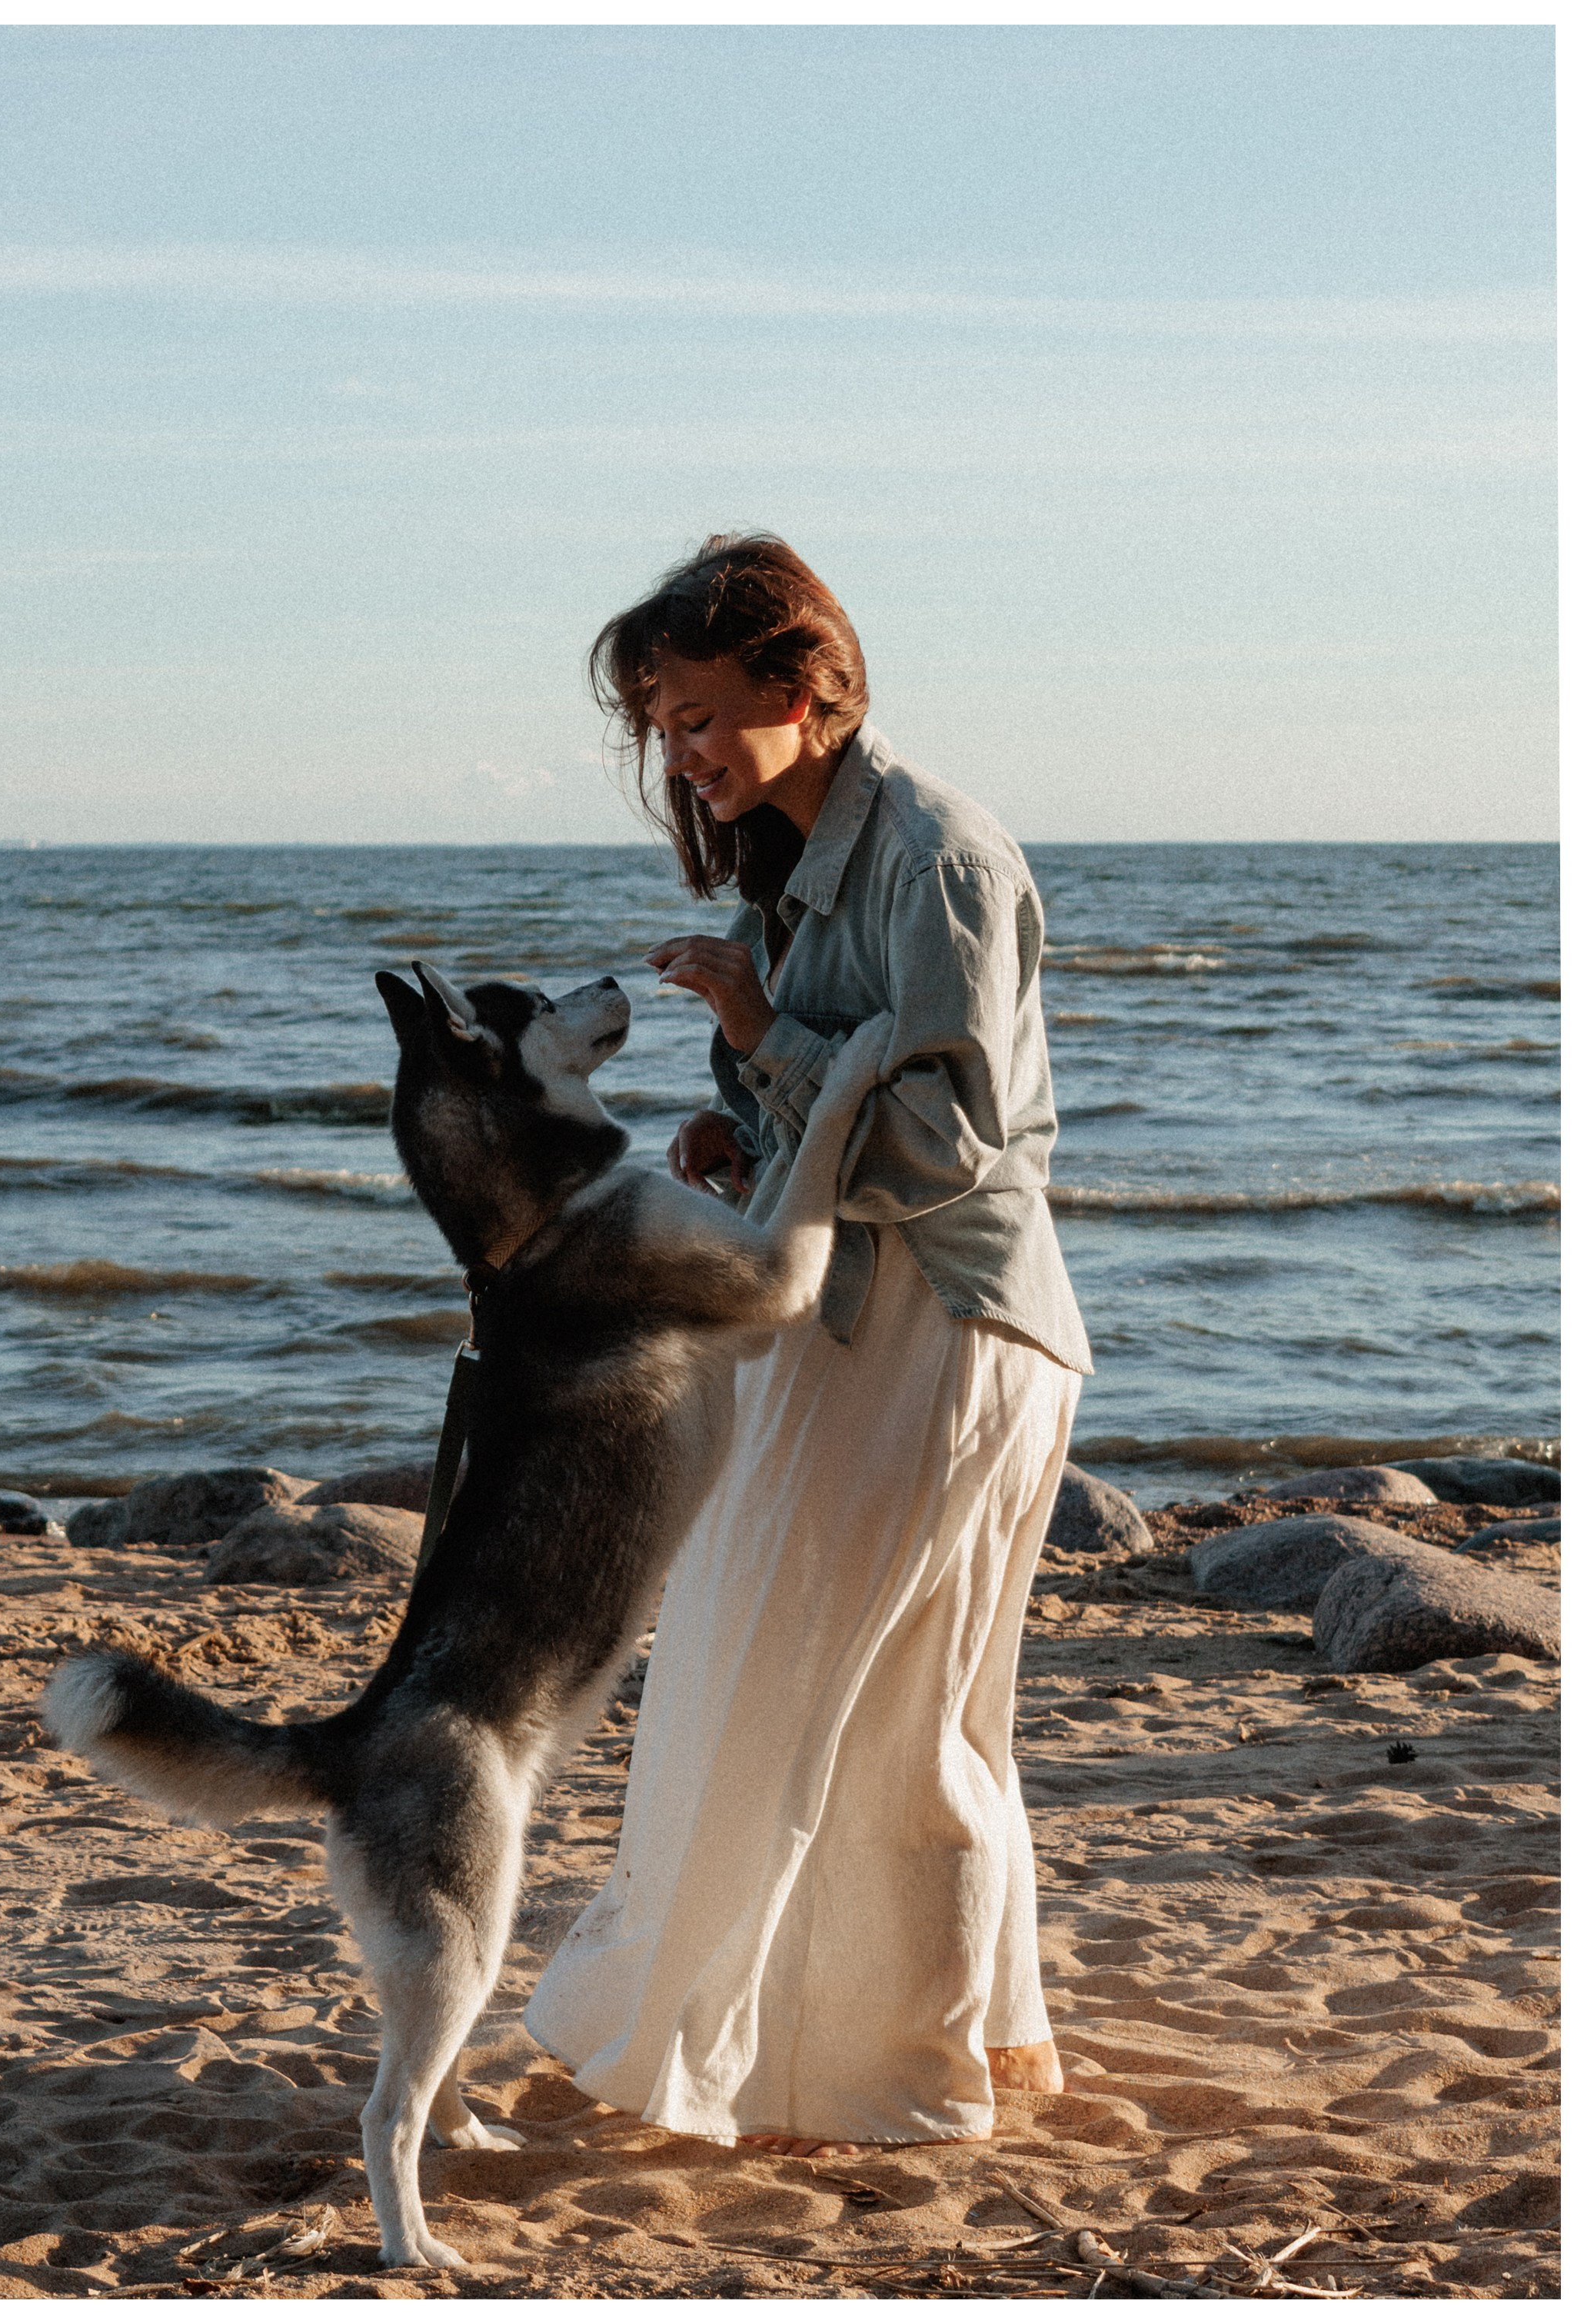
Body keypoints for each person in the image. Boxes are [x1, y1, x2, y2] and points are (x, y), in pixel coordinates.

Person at [524, 534, 1093, 2156]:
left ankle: (899, 2078)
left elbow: (945, 1149)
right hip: (843, 1314)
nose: (684, 757)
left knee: (893, 1717)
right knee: (775, 1677)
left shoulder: (936, 861)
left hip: (944, 1325)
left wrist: (765, 1038)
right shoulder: (793, 862)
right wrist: (744, 1129)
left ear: (807, 685)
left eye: (703, 717)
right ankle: (841, 2055)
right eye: (665, 730)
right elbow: (837, 1121)